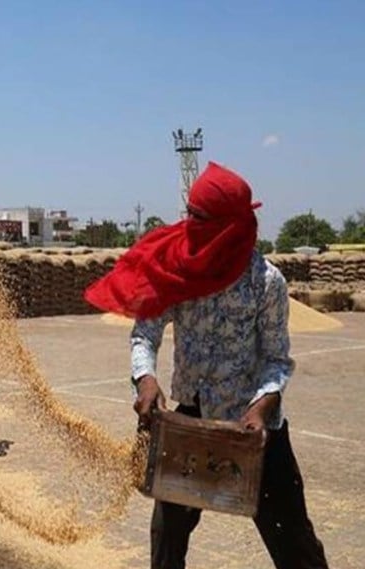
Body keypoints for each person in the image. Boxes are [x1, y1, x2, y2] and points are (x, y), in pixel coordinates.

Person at [85, 162, 328, 569]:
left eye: (200, 218)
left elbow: (276, 360)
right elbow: (145, 334)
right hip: (192, 423)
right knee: (167, 536)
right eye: (190, 213)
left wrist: (260, 409)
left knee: (294, 543)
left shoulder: (266, 282)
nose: (189, 225)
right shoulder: (178, 267)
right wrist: (145, 380)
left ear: (228, 227)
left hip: (255, 432)